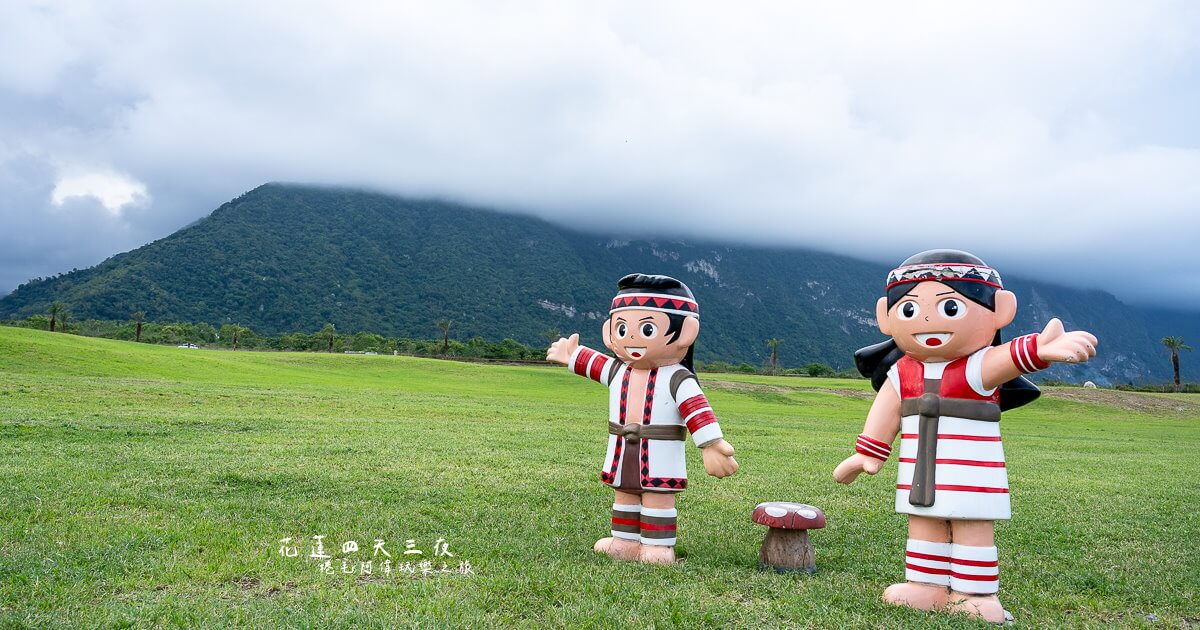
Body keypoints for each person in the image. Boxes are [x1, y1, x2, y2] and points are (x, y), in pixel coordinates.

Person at [834, 249, 1098, 623]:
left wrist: (1041, 349)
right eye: (910, 310)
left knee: (971, 524)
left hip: (972, 469)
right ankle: (925, 585)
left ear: (1001, 311)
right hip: (918, 473)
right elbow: (884, 413)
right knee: (923, 523)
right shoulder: (901, 373)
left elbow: (1010, 357)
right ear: (885, 318)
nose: (926, 320)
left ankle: (974, 592)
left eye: (950, 308)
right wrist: (868, 454)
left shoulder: (977, 366)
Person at [546, 273, 738, 564]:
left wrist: (711, 444)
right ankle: (624, 541)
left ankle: (657, 546)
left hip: (658, 450)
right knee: (624, 494)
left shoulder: (678, 378)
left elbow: (697, 409)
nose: (632, 338)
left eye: (647, 329)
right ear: (609, 332)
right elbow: (594, 364)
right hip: (623, 448)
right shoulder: (619, 371)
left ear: (686, 332)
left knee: (657, 498)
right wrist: (571, 355)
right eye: (622, 329)